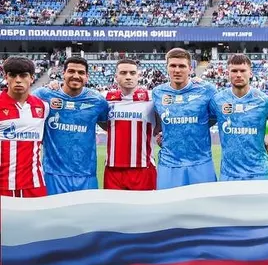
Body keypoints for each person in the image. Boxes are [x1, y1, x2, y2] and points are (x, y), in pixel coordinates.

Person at [33, 55, 109, 194]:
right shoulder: (44, 95)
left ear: (87, 76)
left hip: (86, 175)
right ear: (63, 73)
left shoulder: (98, 101)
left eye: (81, 72)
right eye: (71, 71)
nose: (76, 76)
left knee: (87, 209)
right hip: (53, 174)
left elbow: (111, 127)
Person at [152, 48, 218, 189]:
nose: (177, 70)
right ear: (167, 68)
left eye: (182, 66)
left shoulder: (207, 90)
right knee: (170, 203)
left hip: (201, 162)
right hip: (169, 163)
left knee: (204, 202)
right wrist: (165, 135)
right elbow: (157, 123)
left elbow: (216, 117)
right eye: (173, 66)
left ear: (190, 68)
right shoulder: (157, 93)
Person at [211, 53, 268, 181]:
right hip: (229, 173)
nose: (238, 74)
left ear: (250, 73)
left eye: (243, 70)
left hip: (259, 173)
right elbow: (201, 124)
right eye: (234, 71)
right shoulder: (217, 100)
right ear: (227, 73)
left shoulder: (264, 101)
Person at [104, 58, 159, 191]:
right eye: (123, 73)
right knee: (113, 205)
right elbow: (102, 123)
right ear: (116, 76)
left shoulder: (152, 98)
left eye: (132, 73)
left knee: (145, 205)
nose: (128, 77)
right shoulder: (105, 99)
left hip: (143, 168)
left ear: (138, 76)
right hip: (113, 169)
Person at [0, 55, 49, 198]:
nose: (18, 80)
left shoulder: (43, 107)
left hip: (35, 184)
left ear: (32, 78)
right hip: (3, 184)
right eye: (13, 75)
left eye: (23, 75)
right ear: (6, 77)